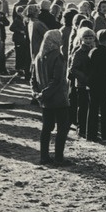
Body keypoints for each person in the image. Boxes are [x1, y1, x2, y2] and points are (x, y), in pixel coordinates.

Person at [31, 29, 72, 165]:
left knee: (46, 128)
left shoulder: (38, 57)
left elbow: (33, 79)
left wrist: (37, 93)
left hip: (45, 101)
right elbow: (57, 80)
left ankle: (44, 156)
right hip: (58, 99)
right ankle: (59, 158)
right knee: (62, 128)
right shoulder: (57, 56)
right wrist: (45, 93)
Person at [87, 29, 106, 143]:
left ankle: (91, 135)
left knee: (93, 110)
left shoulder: (92, 52)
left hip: (93, 84)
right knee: (105, 111)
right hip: (104, 85)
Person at [68, 27, 96, 139]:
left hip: (92, 83)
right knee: (83, 107)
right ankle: (81, 128)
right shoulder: (79, 52)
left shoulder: (94, 50)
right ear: (81, 39)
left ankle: (89, 128)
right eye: (86, 38)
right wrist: (84, 78)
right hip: (82, 84)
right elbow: (73, 69)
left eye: (90, 38)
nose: (88, 40)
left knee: (91, 107)